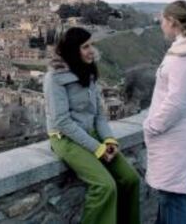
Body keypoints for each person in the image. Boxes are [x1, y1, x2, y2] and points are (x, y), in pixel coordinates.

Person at [43, 26, 140, 224]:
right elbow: (62, 122)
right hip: (65, 138)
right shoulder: (54, 79)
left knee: (130, 179)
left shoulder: (89, 72)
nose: (91, 51)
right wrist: (98, 149)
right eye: (85, 46)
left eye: (92, 45)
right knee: (105, 186)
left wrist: (109, 140)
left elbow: (99, 116)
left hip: (91, 133)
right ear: (73, 50)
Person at [143, 0, 186, 224]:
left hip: (175, 133)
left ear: (172, 22)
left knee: (173, 196)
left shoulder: (185, 56)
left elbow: (175, 102)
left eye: (162, 19)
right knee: (169, 194)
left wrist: (152, 126)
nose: (160, 24)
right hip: (179, 131)